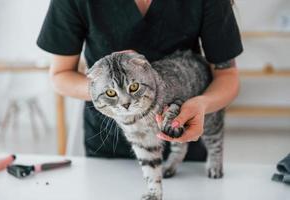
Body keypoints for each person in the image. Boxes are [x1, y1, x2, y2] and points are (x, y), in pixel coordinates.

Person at [37, 0, 243, 160]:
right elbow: (60, 75)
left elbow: (227, 75)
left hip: (184, 136)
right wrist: (112, 95)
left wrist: (202, 104)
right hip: (111, 146)